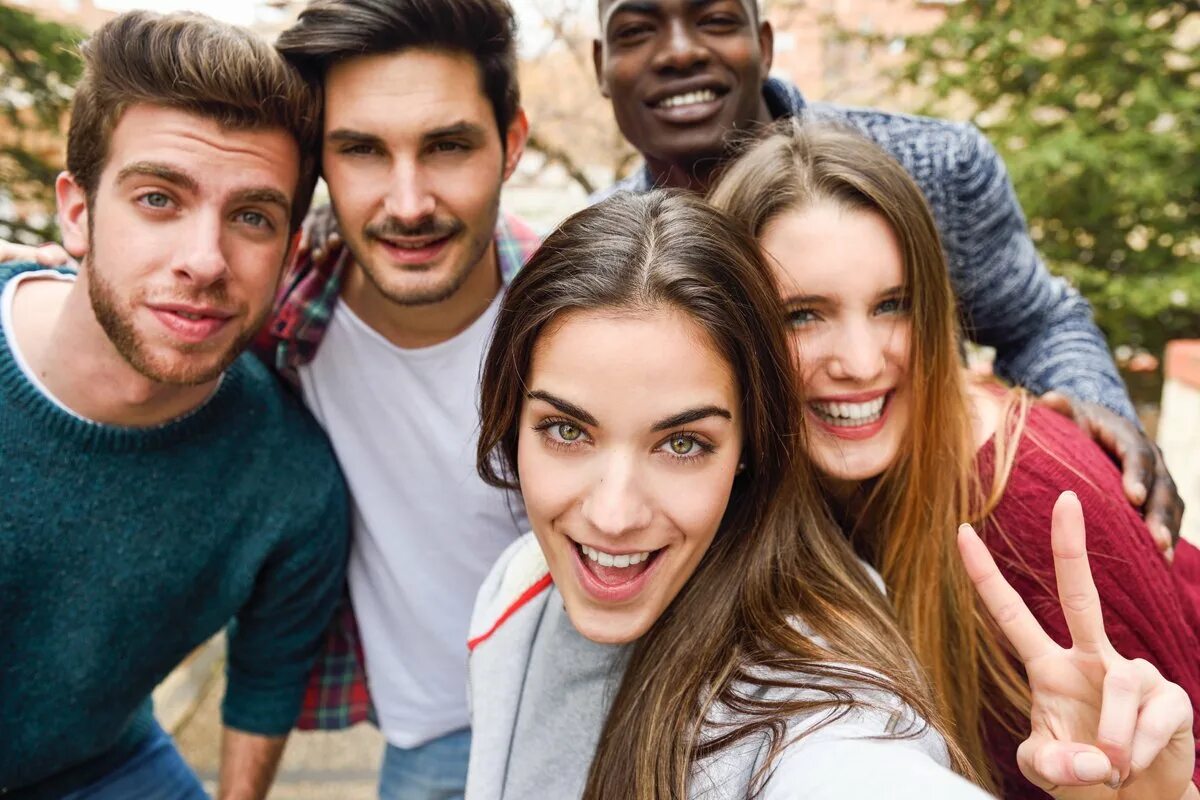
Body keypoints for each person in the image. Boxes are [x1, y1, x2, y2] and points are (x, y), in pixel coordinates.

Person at [465, 189, 1195, 800]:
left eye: (683, 443)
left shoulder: (821, 706)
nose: (613, 513)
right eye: (566, 430)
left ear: (754, 442)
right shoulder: (514, 590)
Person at [708, 121, 1200, 797]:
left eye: (894, 306)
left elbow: (1173, 765)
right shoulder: (751, 483)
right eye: (802, 315)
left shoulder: (1037, 500)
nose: (858, 361)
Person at [588, 0, 1184, 554]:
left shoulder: (934, 168)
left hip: (938, 562)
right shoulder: (601, 252)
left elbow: (1038, 322)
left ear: (764, 44)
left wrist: (1098, 425)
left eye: (715, 19)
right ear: (601, 66)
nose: (678, 52)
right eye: (636, 31)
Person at [0, 11, 348, 800]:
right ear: (78, 211)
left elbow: (266, 677)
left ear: (290, 251)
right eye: (158, 198)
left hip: (102, 764)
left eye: (252, 217)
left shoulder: (293, 481)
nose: (204, 261)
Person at [270, 2, 536, 797]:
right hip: (425, 743)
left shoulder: (591, 318)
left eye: (448, 146)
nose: (410, 202)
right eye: (362, 151)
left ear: (511, 144)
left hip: (619, 721)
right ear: (319, 164)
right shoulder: (277, 327)